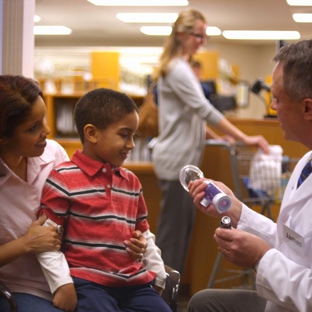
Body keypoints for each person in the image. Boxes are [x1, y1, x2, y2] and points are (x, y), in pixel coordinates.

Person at [0, 75, 148, 312]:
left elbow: (84, 213)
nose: (47, 131)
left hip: (79, 277)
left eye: (44, 119)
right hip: (23, 287)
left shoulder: (53, 153)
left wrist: (128, 239)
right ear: (3, 137)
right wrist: (26, 244)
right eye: (33, 127)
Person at [187, 39, 312, 312]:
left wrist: (260, 258)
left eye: (277, 98)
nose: (272, 105)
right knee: (203, 303)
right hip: (284, 297)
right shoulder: (306, 162)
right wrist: (236, 210)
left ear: (307, 108)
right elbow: (292, 245)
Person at [152, 8, 269, 278]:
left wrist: (219, 138)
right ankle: (161, 297)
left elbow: (194, 118)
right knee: (173, 236)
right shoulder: (176, 70)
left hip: (184, 162)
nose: (202, 42)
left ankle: (168, 295)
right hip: (175, 163)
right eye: (198, 35)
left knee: (182, 232)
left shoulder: (182, 68)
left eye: (205, 36)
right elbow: (205, 110)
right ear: (181, 34)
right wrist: (245, 137)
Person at [36, 88, 171, 312]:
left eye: (133, 136)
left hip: (133, 283)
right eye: (124, 135)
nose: (131, 145)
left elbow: (144, 232)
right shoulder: (63, 179)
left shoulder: (132, 182)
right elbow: (47, 241)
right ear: (91, 133)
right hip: (88, 284)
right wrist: (62, 284)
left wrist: (159, 274)